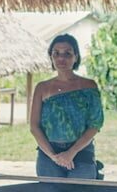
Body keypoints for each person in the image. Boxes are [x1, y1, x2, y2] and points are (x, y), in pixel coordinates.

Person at [29, 34, 104, 179]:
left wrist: (71, 153)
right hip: (49, 155)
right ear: (51, 57)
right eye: (56, 53)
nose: (61, 58)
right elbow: (34, 126)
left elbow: (95, 124)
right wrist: (53, 156)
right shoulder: (42, 88)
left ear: (76, 57)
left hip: (81, 151)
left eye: (67, 54)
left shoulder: (89, 86)